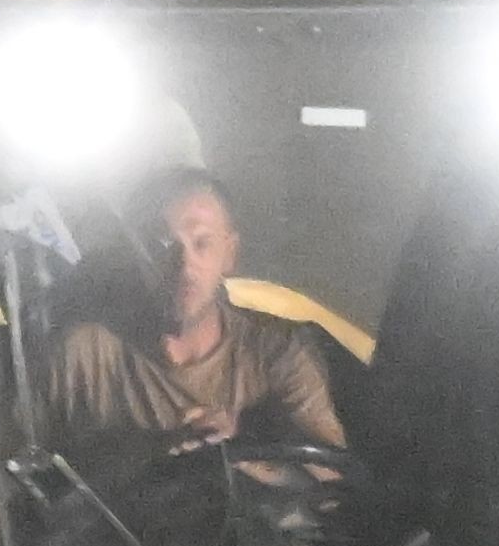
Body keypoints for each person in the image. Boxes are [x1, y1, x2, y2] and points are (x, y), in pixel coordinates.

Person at [49, 168, 350, 507]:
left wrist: (235, 449)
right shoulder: (85, 357)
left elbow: (334, 488)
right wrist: (145, 451)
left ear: (229, 253)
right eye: (162, 244)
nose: (184, 264)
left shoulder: (278, 353)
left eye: (202, 243)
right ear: (136, 254)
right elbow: (8, 483)